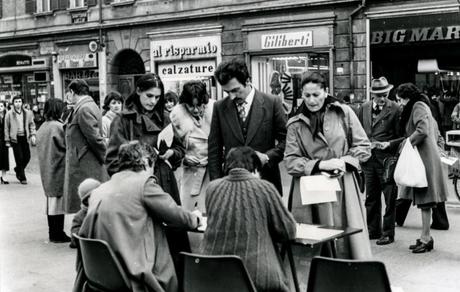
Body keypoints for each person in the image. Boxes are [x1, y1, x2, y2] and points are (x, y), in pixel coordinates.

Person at [75, 141, 201, 292]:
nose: (153, 172)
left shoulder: (101, 189)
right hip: (134, 275)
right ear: (146, 162)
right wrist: (196, 218)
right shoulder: (144, 184)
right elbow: (178, 217)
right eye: (153, 167)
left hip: (103, 274)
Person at [105, 73, 188, 275]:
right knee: (143, 243)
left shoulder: (166, 118)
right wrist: (134, 169)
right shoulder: (123, 120)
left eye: (157, 97)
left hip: (165, 183)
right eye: (149, 96)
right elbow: (112, 160)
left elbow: (180, 149)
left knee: (171, 239)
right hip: (136, 188)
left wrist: (172, 153)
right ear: (138, 91)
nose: (153, 101)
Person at [284, 72, 372, 259]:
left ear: (325, 92)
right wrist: (321, 165)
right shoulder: (294, 123)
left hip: (343, 186)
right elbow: (290, 162)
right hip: (310, 193)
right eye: (307, 95)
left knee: (347, 241)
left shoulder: (343, 112)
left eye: (316, 94)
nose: (311, 100)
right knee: (314, 246)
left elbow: (363, 146)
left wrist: (344, 162)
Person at [201, 146, 296, 292]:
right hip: (257, 277)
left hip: (211, 274)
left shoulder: (212, 188)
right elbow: (288, 231)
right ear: (256, 169)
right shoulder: (265, 188)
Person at [208, 59, 287, 195]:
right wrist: (216, 186)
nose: (232, 96)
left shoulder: (272, 103)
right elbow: (214, 150)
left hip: (266, 183)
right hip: (232, 186)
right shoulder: (219, 107)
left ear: (248, 80)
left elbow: (287, 141)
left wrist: (267, 157)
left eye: (235, 90)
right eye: (227, 92)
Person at [395, 83, 448, 253]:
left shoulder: (417, 106)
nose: (400, 103)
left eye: (400, 100)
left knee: (426, 202)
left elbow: (422, 130)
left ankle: (426, 239)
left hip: (425, 159)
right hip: (424, 158)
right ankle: (425, 237)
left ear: (406, 97)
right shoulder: (422, 105)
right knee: (425, 202)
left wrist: (407, 143)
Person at [357, 77, 402, 245]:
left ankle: (388, 233)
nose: (382, 98)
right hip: (368, 160)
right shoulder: (364, 108)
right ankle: (372, 230)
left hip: (387, 160)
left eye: (384, 94)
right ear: (372, 95)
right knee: (371, 197)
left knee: (389, 198)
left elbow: (402, 136)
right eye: (378, 95)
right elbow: (358, 131)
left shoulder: (396, 109)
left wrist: (388, 144)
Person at [63, 79, 107, 215]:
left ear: (72, 92)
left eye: (68, 94)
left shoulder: (84, 108)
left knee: (85, 206)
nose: (68, 97)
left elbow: (94, 138)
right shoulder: (87, 106)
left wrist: (104, 157)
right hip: (85, 162)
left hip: (85, 164)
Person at [170, 81, 214, 211]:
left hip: (212, 170)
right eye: (191, 106)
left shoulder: (214, 109)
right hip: (190, 171)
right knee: (188, 210)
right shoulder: (176, 116)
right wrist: (184, 159)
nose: (195, 110)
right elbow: (173, 146)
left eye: (199, 105)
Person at [36, 98, 71, 243]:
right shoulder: (58, 126)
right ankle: (57, 233)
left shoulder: (43, 126)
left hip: (47, 168)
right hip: (58, 168)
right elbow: (67, 146)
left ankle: (53, 232)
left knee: (51, 203)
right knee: (58, 203)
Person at [4, 96, 36, 184]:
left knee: (27, 157)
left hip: (25, 137)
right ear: (13, 103)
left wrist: (33, 134)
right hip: (15, 138)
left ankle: (17, 169)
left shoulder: (28, 113)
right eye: (16, 102)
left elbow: (31, 124)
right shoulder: (9, 114)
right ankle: (22, 177)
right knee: (19, 158)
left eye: (19, 101)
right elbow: (6, 127)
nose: (18, 103)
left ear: (22, 103)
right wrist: (7, 140)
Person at [69, 178, 101, 248]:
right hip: (90, 252)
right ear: (87, 200)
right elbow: (74, 240)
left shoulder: (103, 211)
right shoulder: (79, 217)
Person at [0, 101, 9, 184]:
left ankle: (4, 176)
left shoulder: (7, 116)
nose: (0, 107)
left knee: (4, 158)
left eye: (2, 106)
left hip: (4, 139)